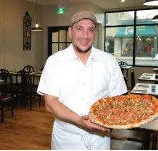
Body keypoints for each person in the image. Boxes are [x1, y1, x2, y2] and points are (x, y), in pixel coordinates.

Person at [37, 11, 127, 150]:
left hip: (100, 139)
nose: (85, 36)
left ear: (95, 33)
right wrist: (79, 120)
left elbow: (117, 100)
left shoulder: (109, 61)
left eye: (90, 30)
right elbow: (50, 103)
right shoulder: (54, 61)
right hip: (65, 140)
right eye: (79, 29)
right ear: (70, 32)